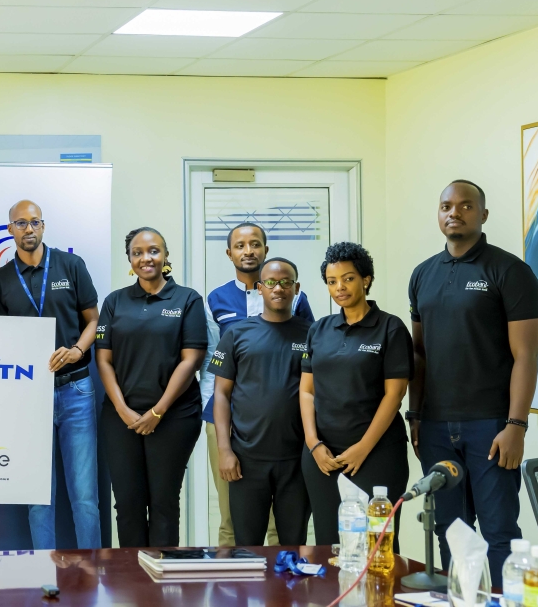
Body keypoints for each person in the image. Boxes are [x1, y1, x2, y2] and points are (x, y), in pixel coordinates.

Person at [408, 180, 538, 584]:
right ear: (438, 214)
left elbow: (526, 356)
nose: (455, 212)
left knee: (499, 532)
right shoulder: (422, 274)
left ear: (482, 215)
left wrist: (515, 426)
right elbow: (419, 354)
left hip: (491, 426)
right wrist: (415, 415)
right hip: (434, 426)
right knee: (451, 533)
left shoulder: (510, 271)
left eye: (466, 206)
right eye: (446, 205)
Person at [0, 201, 100, 550]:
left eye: (34, 222)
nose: (29, 229)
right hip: (29, 396)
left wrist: (78, 350)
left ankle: (95, 575)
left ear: (44, 226)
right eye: (20, 223)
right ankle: (43, 575)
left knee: (84, 496)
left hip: (76, 389)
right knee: (38, 498)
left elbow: (93, 320)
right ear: (10, 230)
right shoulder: (0, 280)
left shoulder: (71, 265)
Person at [202, 222, 313, 546]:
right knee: (233, 523)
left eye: (255, 244)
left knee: (285, 533)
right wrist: (224, 443)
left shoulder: (306, 325)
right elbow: (214, 365)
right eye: (240, 245)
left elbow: (311, 380)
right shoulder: (218, 301)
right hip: (237, 431)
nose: (248, 250)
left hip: (289, 444)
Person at [95, 227, 206, 548]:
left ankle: (162, 584)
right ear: (129, 260)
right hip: (120, 418)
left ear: (166, 255)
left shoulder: (187, 299)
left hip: (174, 417)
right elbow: (104, 360)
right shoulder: (114, 302)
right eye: (138, 252)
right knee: (127, 504)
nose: (147, 258)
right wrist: (123, 410)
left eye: (154, 251)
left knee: (164, 503)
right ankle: (132, 584)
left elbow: (192, 359)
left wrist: (158, 411)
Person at [300, 242, 411, 551]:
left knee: (378, 545)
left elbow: (395, 394)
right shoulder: (319, 330)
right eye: (332, 281)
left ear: (366, 279)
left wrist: (363, 448)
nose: (340, 287)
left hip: (376, 453)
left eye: (348, 278)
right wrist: (313, 444)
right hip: (323, 456)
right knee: (329, 544)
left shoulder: (390, 328)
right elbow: (307, 391)